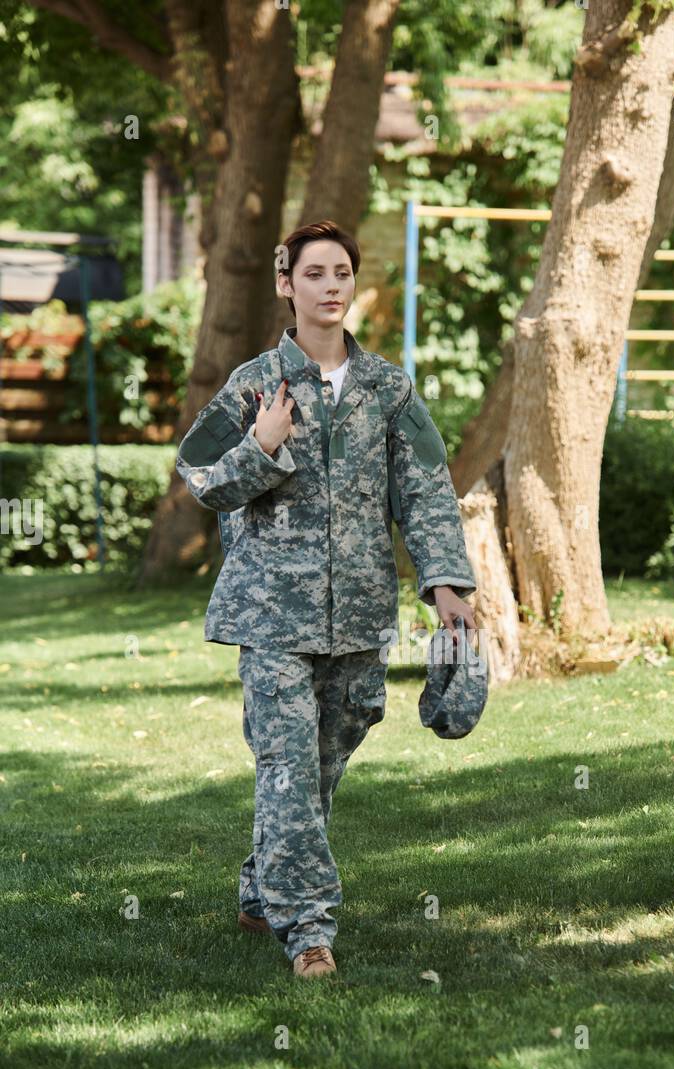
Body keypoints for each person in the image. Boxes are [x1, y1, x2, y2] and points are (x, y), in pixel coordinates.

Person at [176, 220, 478, 979]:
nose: (331, 285)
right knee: (284, 765)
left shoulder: (386, 389)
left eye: (341, 271)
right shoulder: (254, 386)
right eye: (314, 273)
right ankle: (309, 928)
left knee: (318, 768)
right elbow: (201, 478)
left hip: (361, 617)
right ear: (287, 285)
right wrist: (263, 444)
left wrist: (447, 585)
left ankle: (259, 889)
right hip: (271, 617)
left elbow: (427, 490)